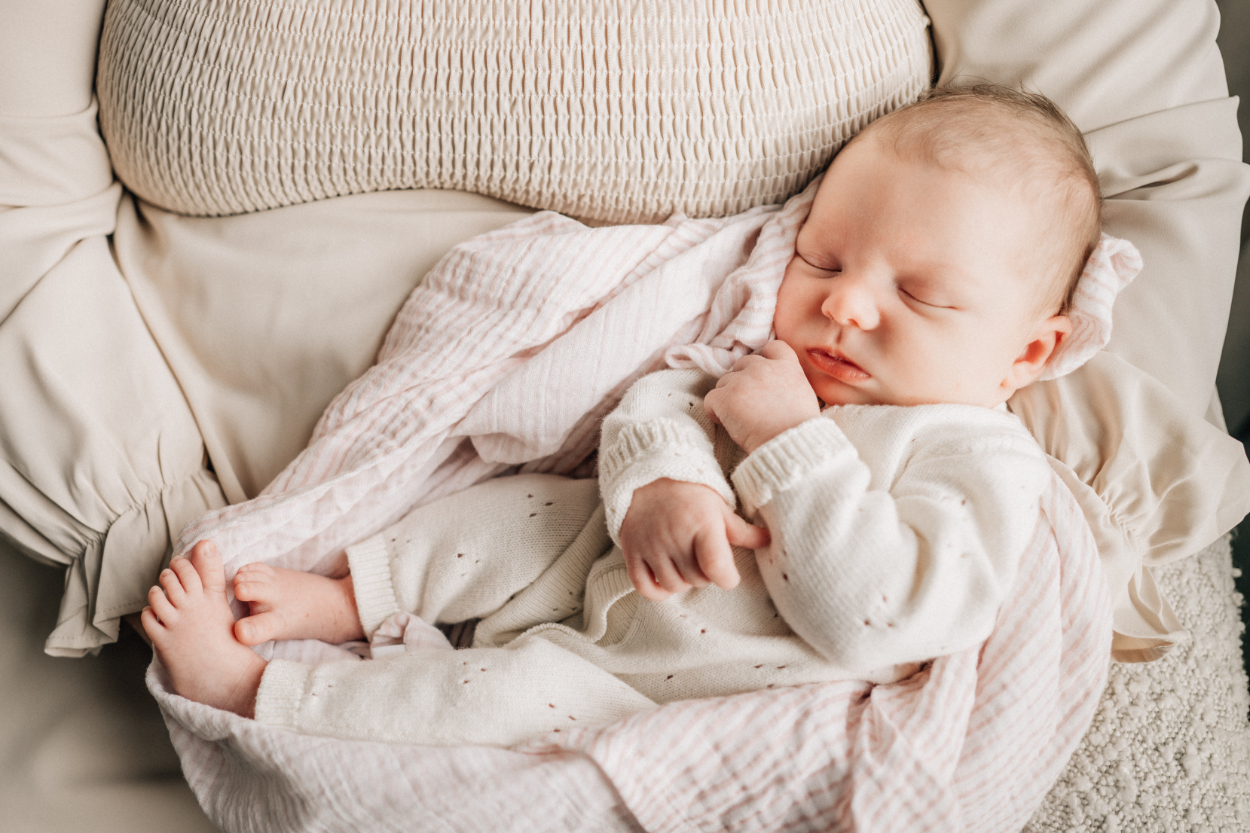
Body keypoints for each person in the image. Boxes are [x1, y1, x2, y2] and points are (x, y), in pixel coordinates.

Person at [140, 85, 1103, 747]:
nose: (846, 307)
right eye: (822, 260)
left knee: (497, 701)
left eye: (924, 297)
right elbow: (659, 402)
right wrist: (661, 482)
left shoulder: (978, 461)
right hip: (599, 571)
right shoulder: (775, 365)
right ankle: (356, 595)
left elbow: (875, 615)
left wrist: (787, 440)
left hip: (645, 689)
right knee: (524, 511)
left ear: (1028, 352)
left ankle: (265, 695)